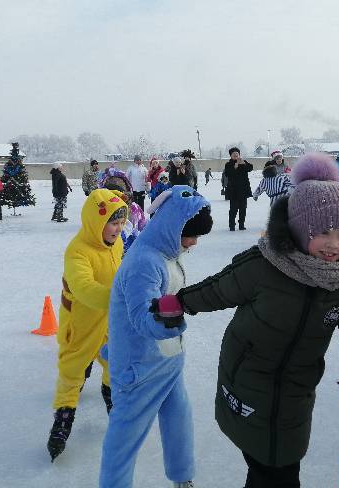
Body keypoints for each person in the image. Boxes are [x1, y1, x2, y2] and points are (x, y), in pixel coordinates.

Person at [156, 153, 339, 487]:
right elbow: (217, 290)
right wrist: (178, 302)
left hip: (296, 388)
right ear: (298, 228)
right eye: (324, 232)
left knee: (281, 461)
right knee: (271, 466)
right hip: (248, 379)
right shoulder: (266, 264)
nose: (334, 245)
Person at [99, 187, 213, 488]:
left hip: (166, 359)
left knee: (179, 419)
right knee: (125, 437)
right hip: (141, 366)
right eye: (192, 236)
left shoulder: (167, 252)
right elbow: (142, 317)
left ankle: (182, 477)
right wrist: (172, 319)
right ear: (174, 228)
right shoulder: (145, 262)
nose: (195, 243)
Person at [47, 189, 128, 461]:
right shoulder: (77, 251)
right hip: (81, 322)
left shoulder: (116, 244)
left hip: (108, 320)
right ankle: (63, 419)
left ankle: (111, 400)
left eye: (120, 223)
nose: (117, 229)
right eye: (112, 224)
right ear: (96, 223)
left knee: (114, 362)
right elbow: (83, 287)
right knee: (72, 370)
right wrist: (118, 298)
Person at [224, 147, 253, 231]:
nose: (236, 155)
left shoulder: (243, 162)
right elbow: (228, 174)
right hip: (233, 191)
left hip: (243, 190)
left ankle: (241, 224)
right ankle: (232, 225)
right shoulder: (228, 164)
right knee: (233, 209)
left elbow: (250, 168)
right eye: (234, 154)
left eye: (237, 154)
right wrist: (235, 166)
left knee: (243, 209)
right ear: (231, 156)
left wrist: (244, 163)